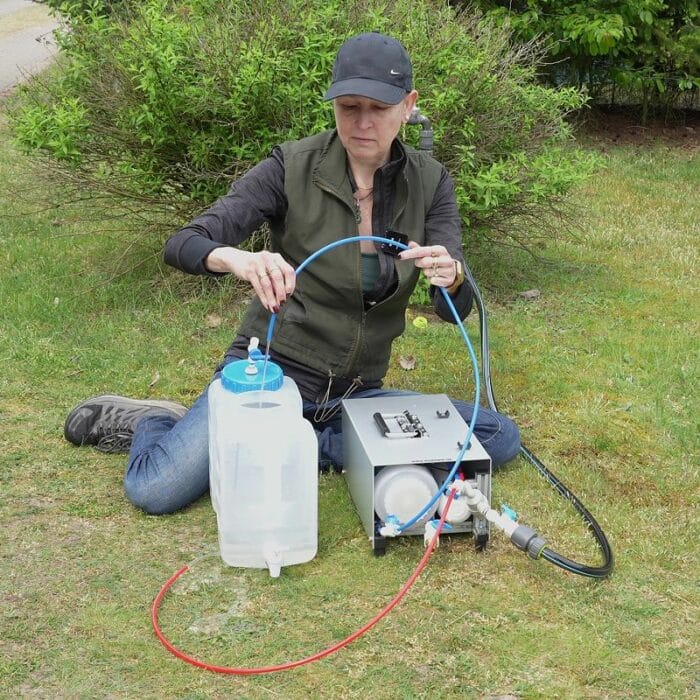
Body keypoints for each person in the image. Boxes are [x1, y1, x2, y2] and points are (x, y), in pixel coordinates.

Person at [64, 32, 520, 514]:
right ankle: (158, 422)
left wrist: (449, 277)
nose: (362, 122)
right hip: (271, 376)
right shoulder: (291, 166)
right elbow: (184, 243)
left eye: (379, 108)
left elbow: (457, 308)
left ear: (408, 106)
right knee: (156, 489)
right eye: (349, 106)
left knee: (498, 437)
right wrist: (241, 259)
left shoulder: (432, 183)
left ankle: (296, 441)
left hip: (357, 393)